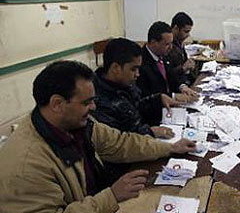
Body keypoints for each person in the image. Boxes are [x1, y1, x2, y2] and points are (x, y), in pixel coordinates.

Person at [0, 60, 196, 212]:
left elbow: (121, 143)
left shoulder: (76, 124)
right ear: (57, 104)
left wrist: (170, 148)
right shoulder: (26, 166)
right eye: (87, 102)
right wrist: (111, 196)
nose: (93, 107)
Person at [92, 37, 178, 135]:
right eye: (133, 69)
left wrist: (158, 99)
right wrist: (149, 132)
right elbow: (118, 141)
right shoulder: (99, 101)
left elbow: (136, 106)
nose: (137, 74)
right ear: (116, 68)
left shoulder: (125, 84)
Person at [136, 21, 198, 102]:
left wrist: (182, 87)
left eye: (171, 43)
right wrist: (173, 96)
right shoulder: (140, 62)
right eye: (167, 44)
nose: (171, 47)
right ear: (154, 43)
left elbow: (171, 76)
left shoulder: (163, 54)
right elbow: (147, 95)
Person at [168, 12, 198, 85]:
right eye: (186, 31)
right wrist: (183, 68)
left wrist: (190, 64)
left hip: (183, 82)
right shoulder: (167, 46)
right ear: (176, 28)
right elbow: (167, 73)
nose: (188, 35)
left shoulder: (179, 43)